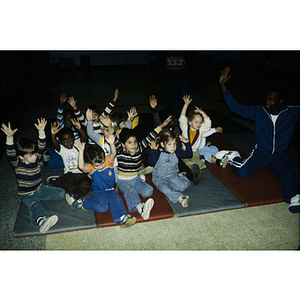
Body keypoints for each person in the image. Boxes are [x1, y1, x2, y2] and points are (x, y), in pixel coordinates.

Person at [219, 67, 300, 213]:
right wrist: (223, 86)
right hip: (261, 153)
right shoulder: (259, 112)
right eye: (267, 98)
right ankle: (233, 157)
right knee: (243, 172)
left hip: (279, 156)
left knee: (291, 172)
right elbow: (235, 108)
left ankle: (294, 197)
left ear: (280, 101)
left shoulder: (291, 113)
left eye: (272, 99)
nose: (267, 102)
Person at [1, 119, 65, 233]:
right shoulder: (17, 164)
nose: (35, 157)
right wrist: (9, 137)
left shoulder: (36, 159)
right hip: (27, 194)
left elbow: (42, 145)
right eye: (30, 156)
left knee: (61, 193)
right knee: (34, 205)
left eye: (35, 154)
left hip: (39, 187)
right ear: (21, 157)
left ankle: (55, 190)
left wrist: (41, 131)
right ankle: (42, 221)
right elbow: (10, 152)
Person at [69, 137, 136, 228]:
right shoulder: (91, 167)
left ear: (104, 157)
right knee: (102, 208)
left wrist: (112, 144)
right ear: (91, 163)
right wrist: (81, 151)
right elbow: (81, 166)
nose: (100, 166)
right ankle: (84, 202)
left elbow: (113, 153)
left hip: (111, 190)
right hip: (99, 191)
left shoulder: (108, 161)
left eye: (102, 163)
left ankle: (122, 218)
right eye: (97, 165)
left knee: (117, 200)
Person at [114, 116, 172, 220]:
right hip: (123, 181)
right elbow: (114, 139)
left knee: (148, 191)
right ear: (123, 144)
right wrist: (109, 127)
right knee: (131, 191)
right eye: (129, 143)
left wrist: (162, 126)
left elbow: (150, 136)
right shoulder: (121, 151)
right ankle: (140, 208)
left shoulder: (139, 149)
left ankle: (141, 175)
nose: (133, 145)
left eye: (135, 142)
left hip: (135, 178)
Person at [179, 95, 229, 184]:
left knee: (197, 163)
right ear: (189, 122)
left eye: (200, 122)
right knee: (186, 162)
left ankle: (195, 173)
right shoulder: (185, 127)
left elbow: (208, 123)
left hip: (195, 152)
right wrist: (186, 105)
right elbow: (182, 117)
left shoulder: (200, 130)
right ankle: (196, 174)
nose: (199, 124)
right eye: (196, 122)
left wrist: (201, 112)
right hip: (185, 151)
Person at [47, 120, 91, 201]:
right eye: (65, 140)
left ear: (74, 138)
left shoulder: (77, 145)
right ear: (60, 142)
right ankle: (57, 181)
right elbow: (55, 145)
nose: (68, 142)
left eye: (70, 139)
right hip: (70, 174)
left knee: (87, 183)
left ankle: (74, 195)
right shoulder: (62, 149)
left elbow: (84, 139)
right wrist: (53, 135)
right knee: (70, 186)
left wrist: (80, 129)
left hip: (82, 174)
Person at [148, 130, 192, 207]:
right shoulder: (159, 153)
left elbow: (189, 154)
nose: (173, 147)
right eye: (169, 144)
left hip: (173, 176)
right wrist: (153, 151)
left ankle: (183, 177)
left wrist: (187, 143)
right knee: (165, 189)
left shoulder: (177, 152)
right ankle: (180, 197)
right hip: (159, 178)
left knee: (182, 187)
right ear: (162, 144)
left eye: (174, 144)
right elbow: (151, 163)